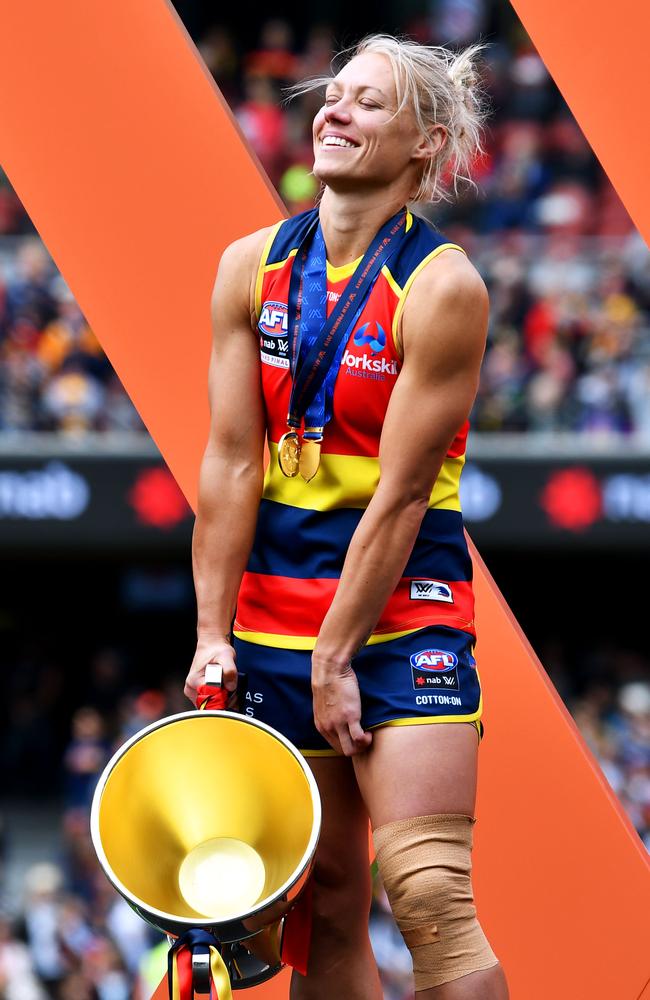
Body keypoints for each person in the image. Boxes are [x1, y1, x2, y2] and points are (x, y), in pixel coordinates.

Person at [185, 33, 509, 1000]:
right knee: (322, 904)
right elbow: (235, 462)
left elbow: (404, 494)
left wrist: (336, 656)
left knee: (429, 897)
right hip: (271, 618)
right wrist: (211, 634)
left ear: (427, 141)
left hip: (404, 614)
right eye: (336, 95)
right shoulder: (249, 266)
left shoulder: (445, 287)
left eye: (369, 103)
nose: (335, 111)